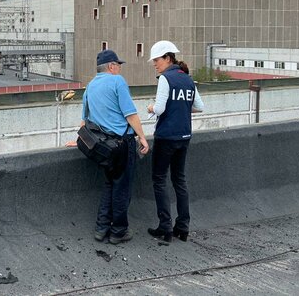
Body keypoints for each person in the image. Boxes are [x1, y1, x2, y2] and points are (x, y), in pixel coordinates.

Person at [69, 49, 149, 244]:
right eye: (118, 65)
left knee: (109, 184)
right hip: (122, 144)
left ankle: (101, 228)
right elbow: (130, 114)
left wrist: (78, 141)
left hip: (102, 147)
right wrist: (143, 138)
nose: (120, 69)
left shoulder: (89, 87)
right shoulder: (117, 82)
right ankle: (118, 232)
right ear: (112, 66)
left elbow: (84, 123)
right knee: (122, 188)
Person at [146, 40, 204, 242]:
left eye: (157, 60)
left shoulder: (165, 79)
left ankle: (165, 227)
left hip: (166, 137)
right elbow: (199, 106)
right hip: (184, 136)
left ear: (168, 58)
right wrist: (180, 108)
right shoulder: (188, 79)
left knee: (159, 180)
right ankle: (183, 227)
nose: (155, 64)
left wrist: (151, 108)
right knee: (179, 180)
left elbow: (160, 109)